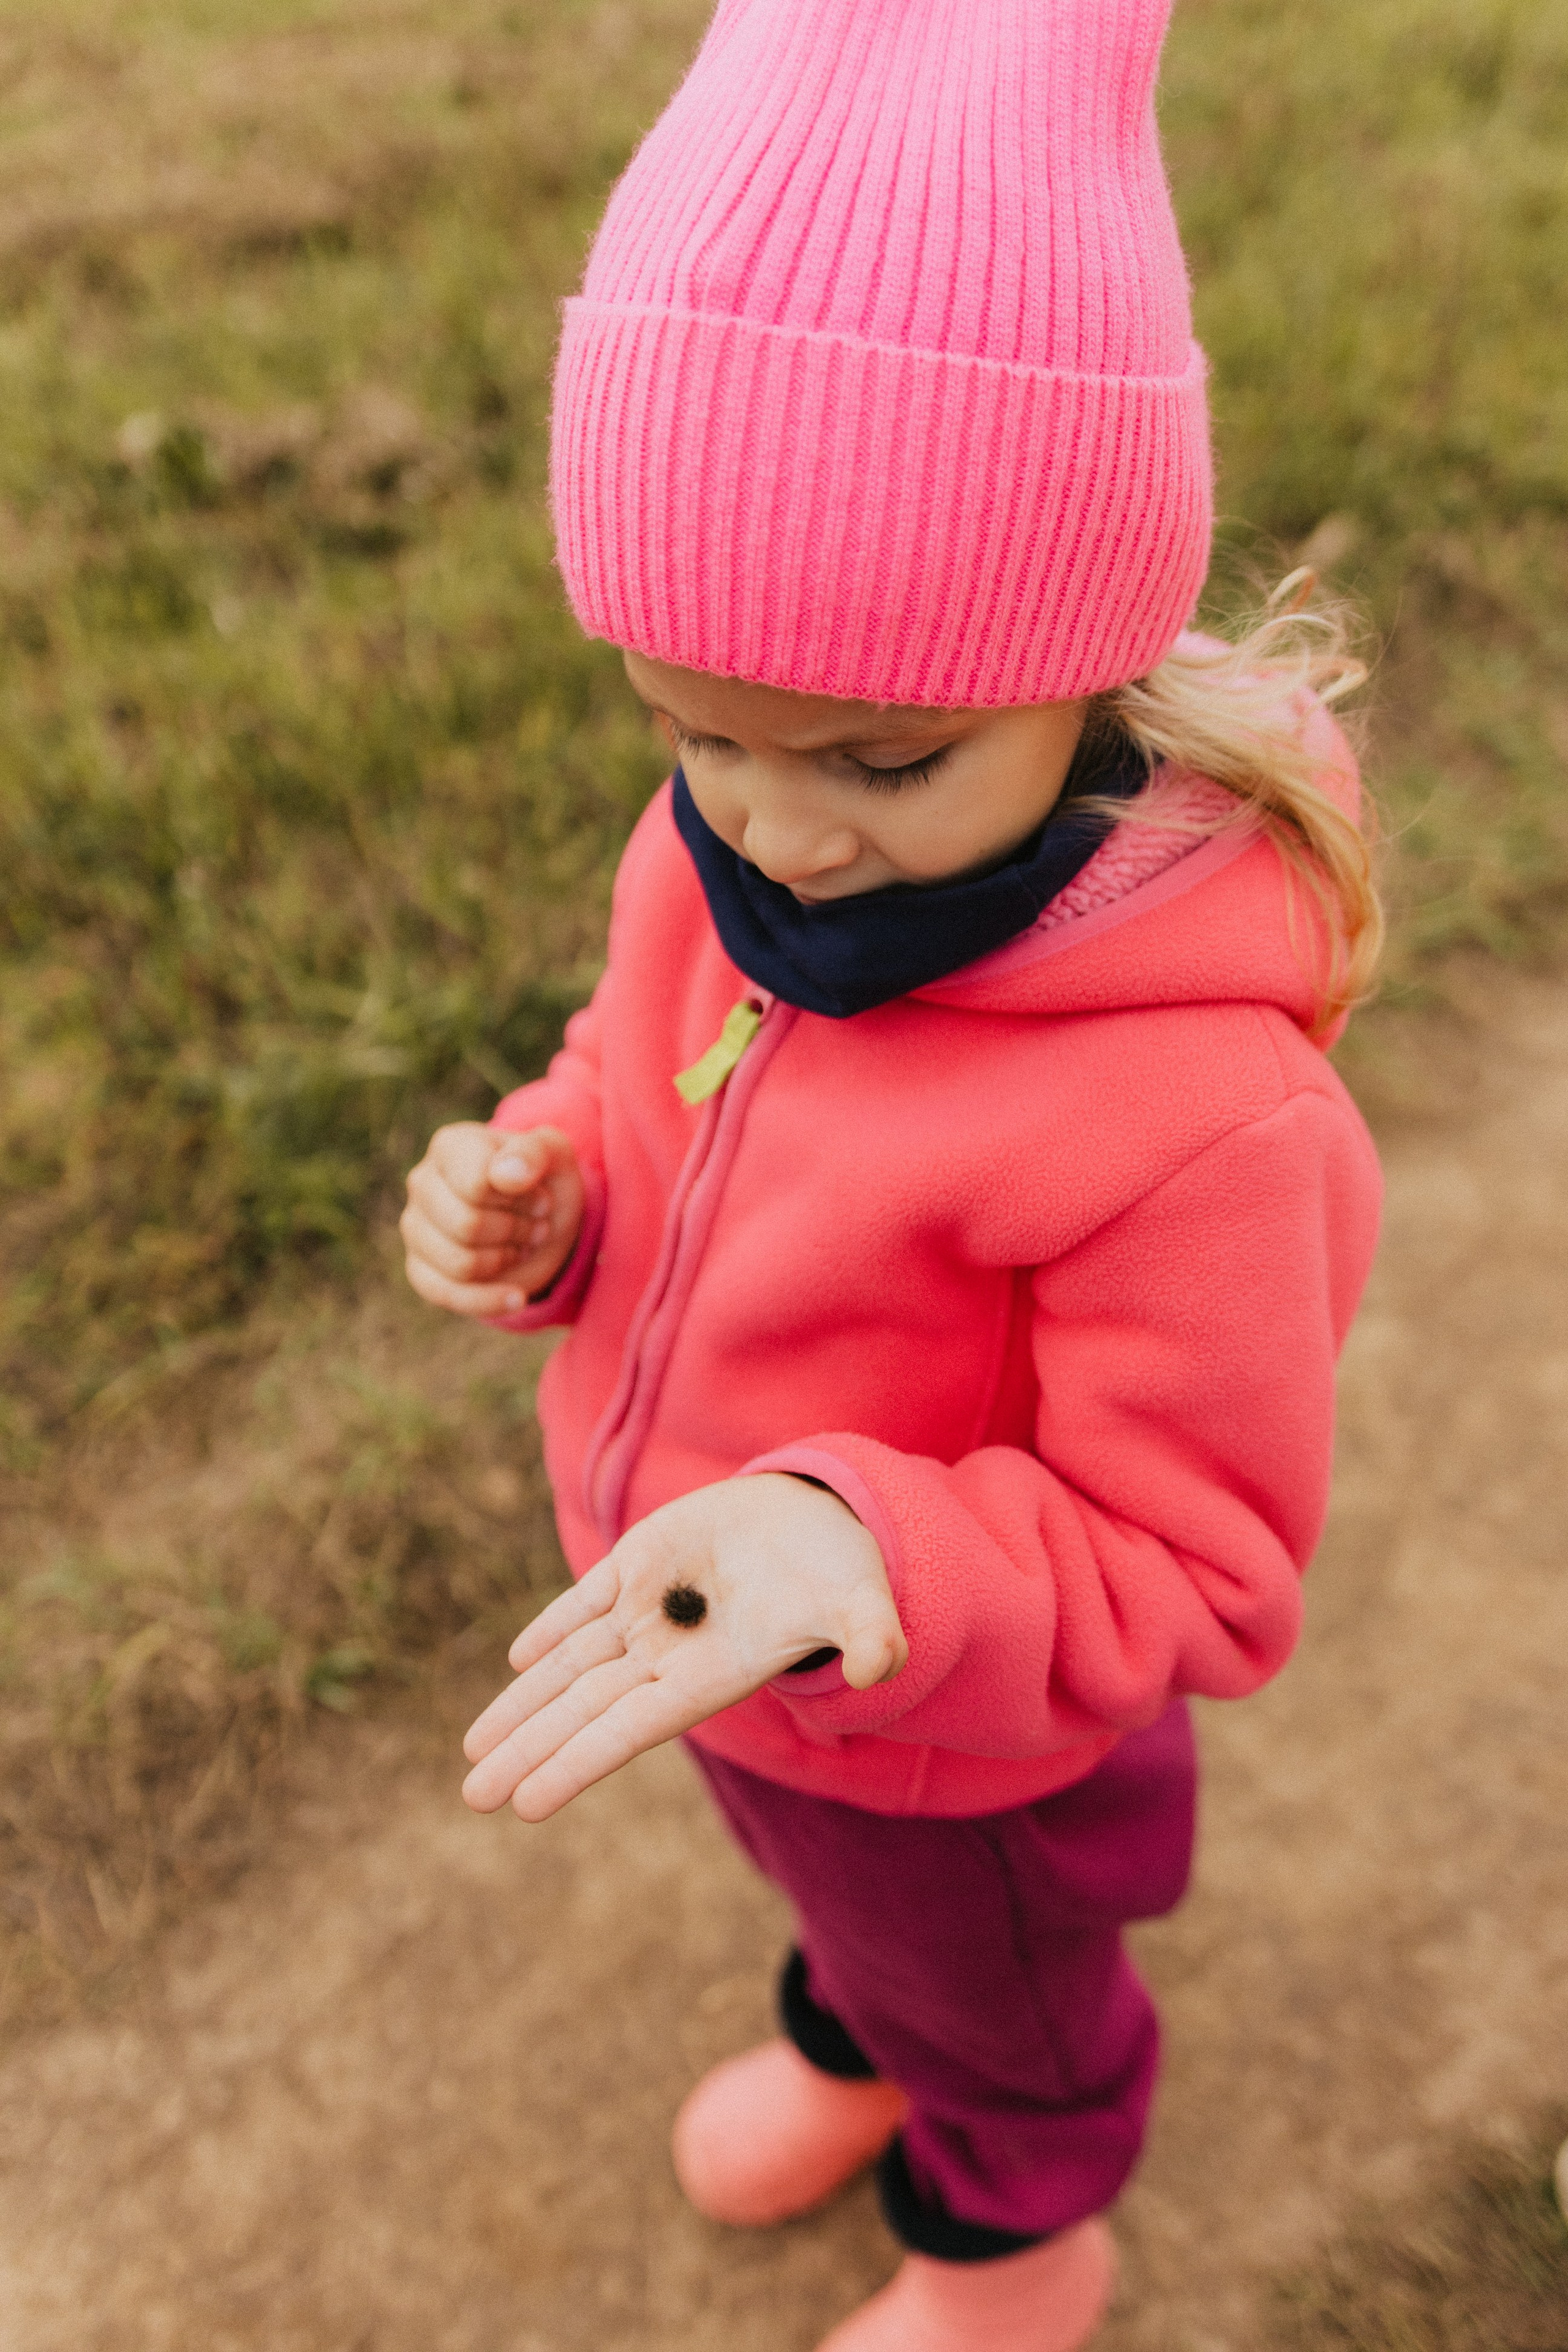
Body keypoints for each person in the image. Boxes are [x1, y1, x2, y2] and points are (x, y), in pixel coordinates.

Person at [399, 3, 1385, 2345]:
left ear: (1088, 661)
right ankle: (862, 2038)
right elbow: (641, 1082)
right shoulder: (721, 856)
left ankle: (1013, 2231)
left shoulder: (1198, 1113)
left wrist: (855, 1549)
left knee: (1009, 2016)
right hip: (738, 1677)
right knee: (846, 1912)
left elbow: (1203, 1574)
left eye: (880, 752)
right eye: (691, 725)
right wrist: (550, 1185)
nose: (776, 827)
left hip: (971, 1749)